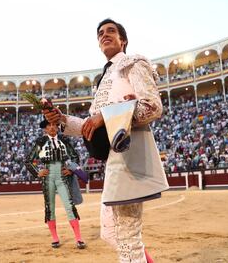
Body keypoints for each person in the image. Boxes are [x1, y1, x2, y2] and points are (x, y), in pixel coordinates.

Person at [44, 18, 169, 262]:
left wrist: (108, 114)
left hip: (131, 156)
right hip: (116, 161)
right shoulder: (105, 79)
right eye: (100, 33)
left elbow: (153, 107)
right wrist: (61, 120)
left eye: (111, 31)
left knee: (127, 238)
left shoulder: (133, 64)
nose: (105, 35)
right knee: (112, 233)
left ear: (123, 40)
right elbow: (92, 125)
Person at [28, 119, 86, 249]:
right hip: (48, 178)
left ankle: (78, 238)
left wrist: (70, 169)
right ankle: (55, 238)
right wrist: (37, 172)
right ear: (45, 129)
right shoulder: (41, 142)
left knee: (70, 206)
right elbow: (28, 160)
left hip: (62, 177)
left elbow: (75, 157)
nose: (53, 127)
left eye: (55, 125)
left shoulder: (64, 140)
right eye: (49, 125)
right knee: (50, 208)